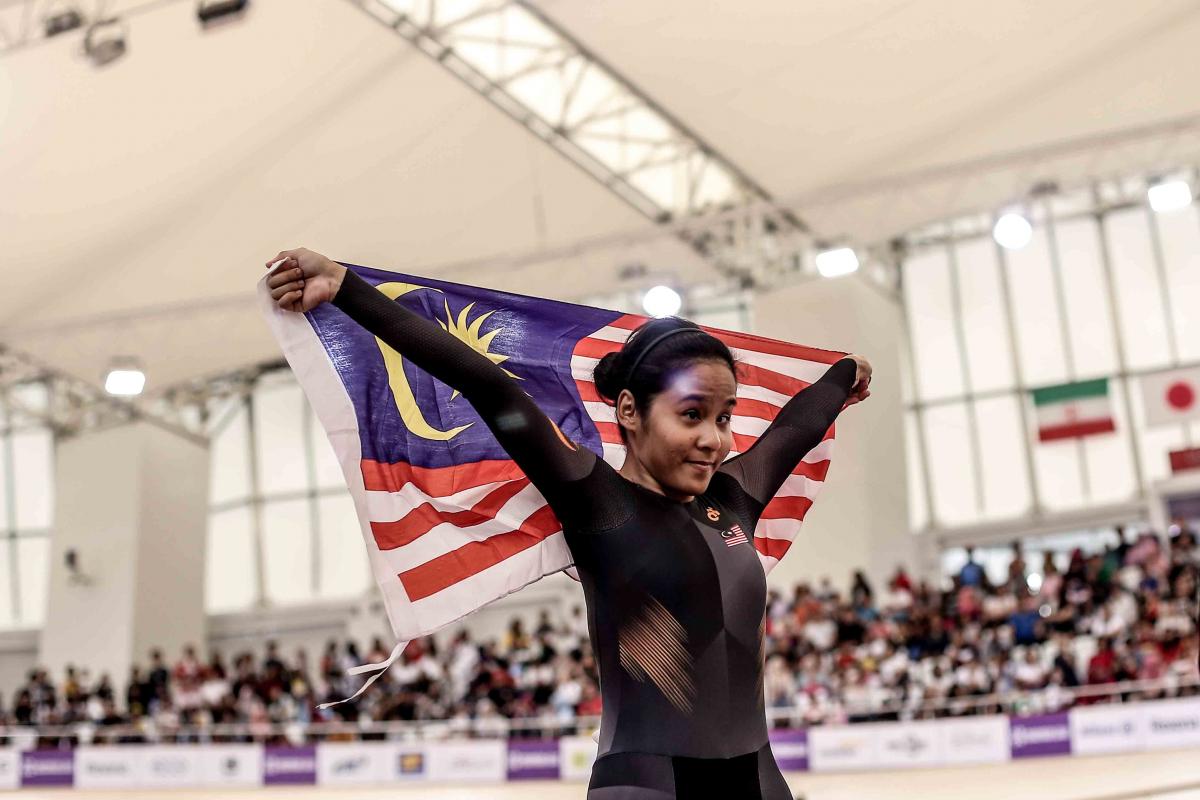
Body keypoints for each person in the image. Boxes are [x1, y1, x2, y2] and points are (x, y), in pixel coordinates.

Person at [264, 248, 872, 799]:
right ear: (629, 412)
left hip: (760, 782)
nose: (713, 439)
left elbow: (798, 426)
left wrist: (844, 377)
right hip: (649, 787)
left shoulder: (734, 499)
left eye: (725, 417)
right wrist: (346, 288)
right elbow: (485, 382)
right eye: (691, 415)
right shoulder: (598, 504)